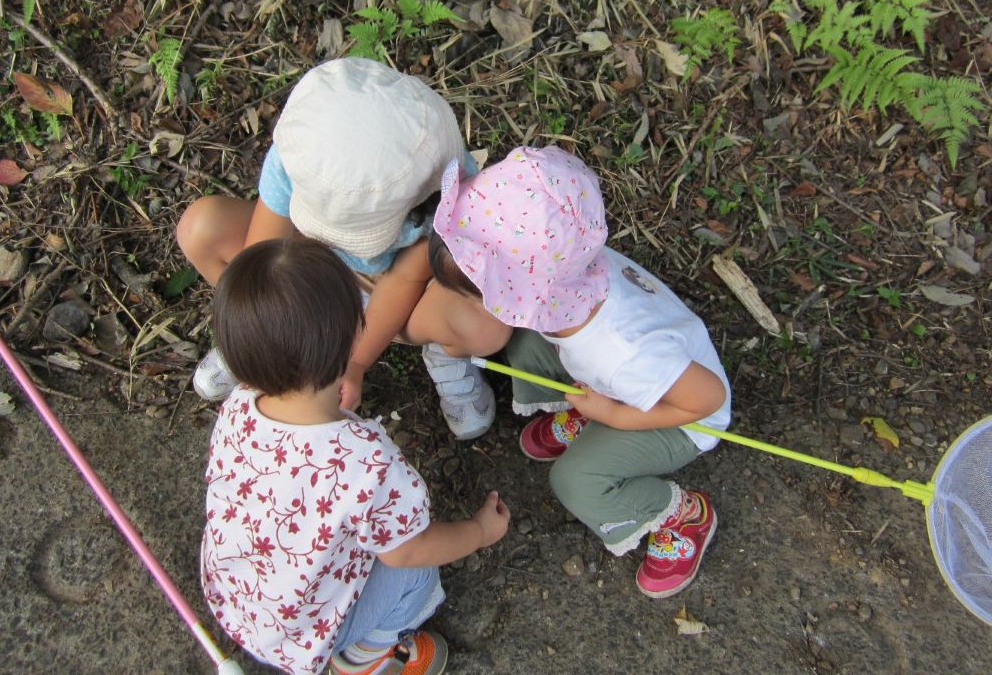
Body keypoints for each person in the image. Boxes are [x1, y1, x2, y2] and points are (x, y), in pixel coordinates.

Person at [429, 146, 732, 598]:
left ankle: (682, 515)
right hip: (625, 379)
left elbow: (708, 400)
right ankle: (591, 419)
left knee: (575, 482)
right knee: (525, 342)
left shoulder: (624, 351)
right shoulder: (565, 258)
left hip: (679, 417)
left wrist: (616, 415)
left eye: (480, 290)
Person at [201, 237, 511, 675]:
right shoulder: (367, 463)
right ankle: (363, 658)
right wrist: (479, 531)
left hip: (233, 598)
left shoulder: (238, 406)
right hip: (305, 636)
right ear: (353, 336)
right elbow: (406, 552)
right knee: (416, 577)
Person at [176, 57, 513, 440]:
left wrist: (356, 363)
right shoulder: (306, 151)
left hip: (397, 287)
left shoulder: (442, 185)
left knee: (486, 326)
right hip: (305, 265)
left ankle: (443, 348)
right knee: (200, 228)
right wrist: (264, 329)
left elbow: (404, 278)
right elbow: (265, 255)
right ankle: (256, 334)